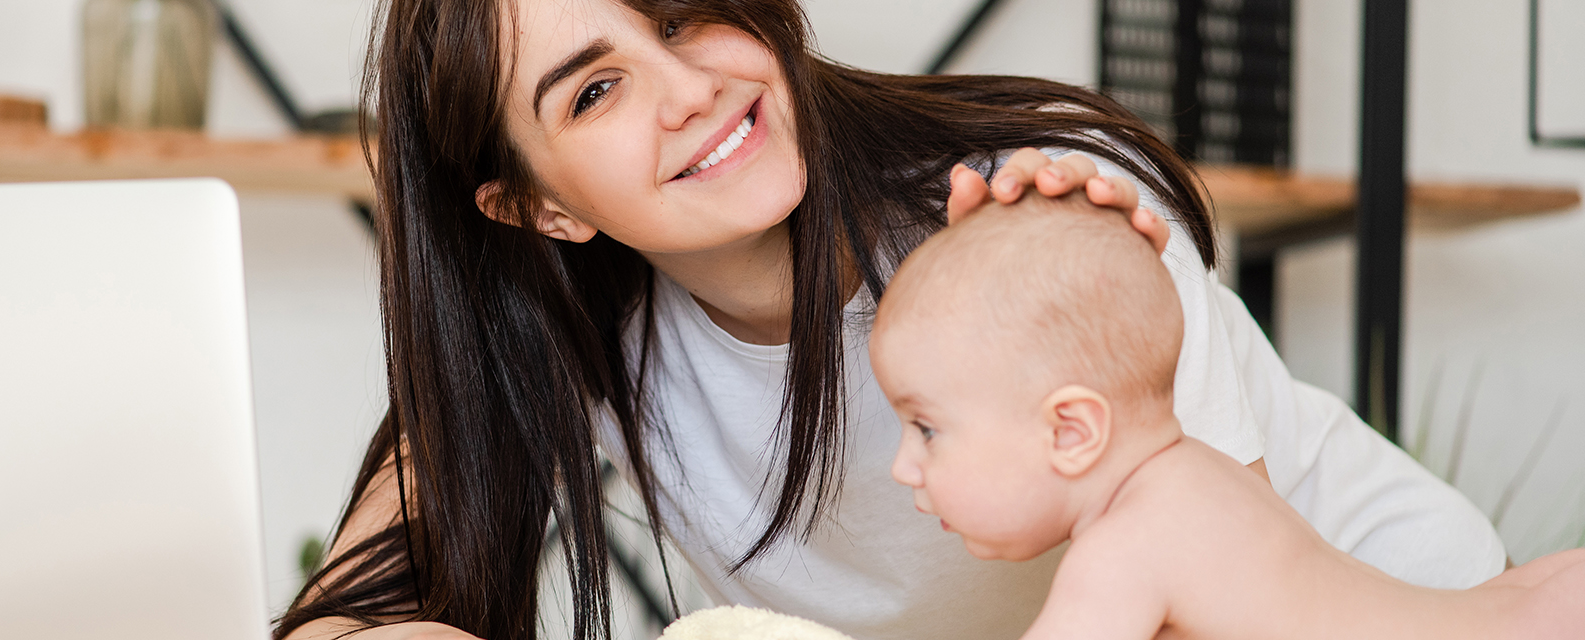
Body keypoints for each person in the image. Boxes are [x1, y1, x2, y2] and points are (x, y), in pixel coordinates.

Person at [277, 1, 1505, 639]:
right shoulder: (582, 352)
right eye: (596, 89)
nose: (692, 88)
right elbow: (344, 615)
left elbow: (1227, 602)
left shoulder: (1040, 216)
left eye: (681, 14)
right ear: (537, 205)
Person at [873, 194, 1585, 640]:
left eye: (926, 429)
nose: (903, 466)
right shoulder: (1211, 474)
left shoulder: (1123, 551)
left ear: (1072, 431)